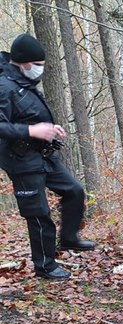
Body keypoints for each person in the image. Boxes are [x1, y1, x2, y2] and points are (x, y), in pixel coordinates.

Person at [0, 33, 96, 280]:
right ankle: (45, 265)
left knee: (74, 191)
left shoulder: (22, 81)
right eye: (38, 65)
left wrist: (50, 130)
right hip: (21, 159)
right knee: (39, 213)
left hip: (43, 155)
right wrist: (32, 130)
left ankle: (69, 239)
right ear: (23, 62)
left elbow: (27, 114)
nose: (41, 70)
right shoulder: (4, 86)